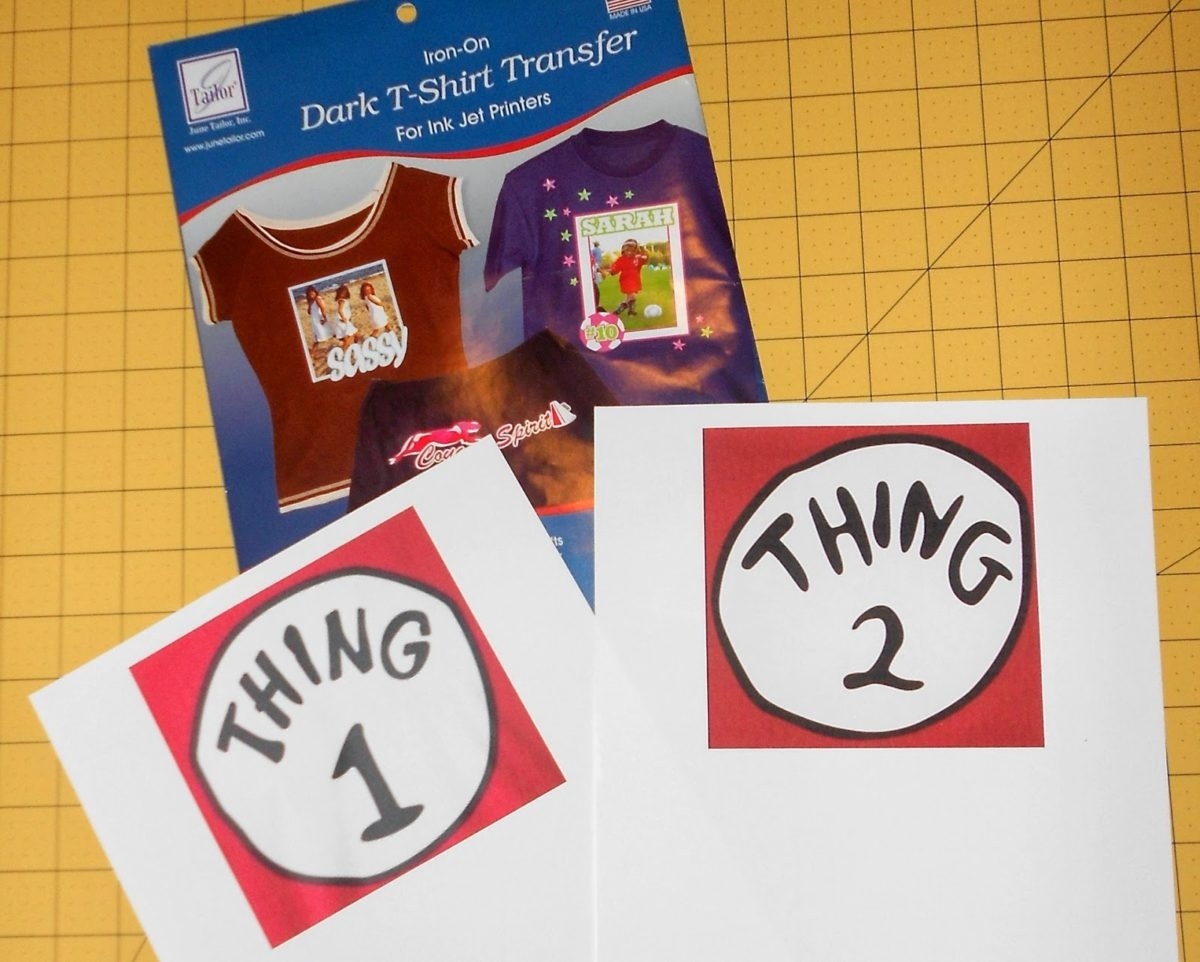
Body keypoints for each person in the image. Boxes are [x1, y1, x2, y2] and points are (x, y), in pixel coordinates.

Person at [607, 239, 649, 316]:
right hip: (626, 280)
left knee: (629, 297)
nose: (629, 252)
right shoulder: (622, 259)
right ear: (623, 250)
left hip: (635, 280)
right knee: (632, 296)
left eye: (632, 251)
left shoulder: (637, 258)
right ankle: (625, 311)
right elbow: (616, 267)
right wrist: (612, 271)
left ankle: (625, 311)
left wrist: (644, 252)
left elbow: (645, 259)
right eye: (627, 251)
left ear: (635, 251)